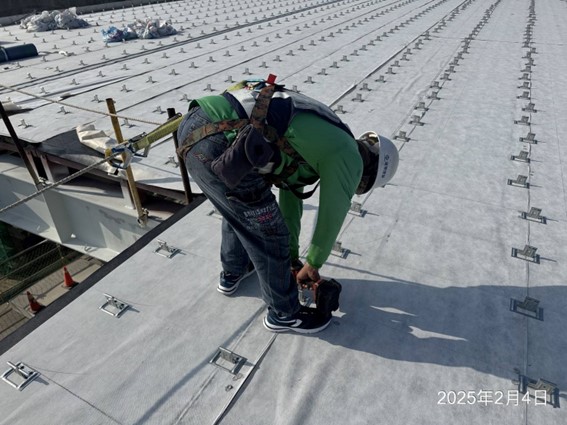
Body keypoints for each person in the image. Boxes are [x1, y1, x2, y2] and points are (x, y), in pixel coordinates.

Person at [176, 75, 399, 334]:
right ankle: (284, 314)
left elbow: (291, 199)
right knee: (270, 233)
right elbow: (332, 214)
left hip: (194, 127)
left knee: (240, 209)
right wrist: (313, 263)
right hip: (221, 139)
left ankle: (234, 271)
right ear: (370, 170)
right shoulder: (348, 155)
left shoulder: (325, 137)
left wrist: (292, 258)